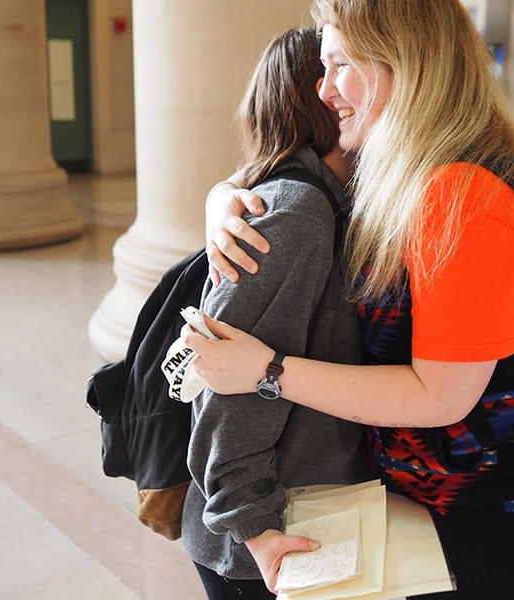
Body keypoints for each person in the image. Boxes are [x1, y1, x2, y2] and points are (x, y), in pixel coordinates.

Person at [186, 1, 514, 599]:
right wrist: (228, 193)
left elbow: (441, 396)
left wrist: (268, 371)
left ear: (401, 65)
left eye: (338, 64)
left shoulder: (458, 193)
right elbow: (300, 194)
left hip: (513, 510)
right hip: (440, 498)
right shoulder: (404, 170)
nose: (323, 87)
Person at [180, 26, 371, 599]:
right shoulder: (298, 215)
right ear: (323, 97)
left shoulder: (326, 203)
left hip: (297, 513)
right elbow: (224, 378)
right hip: (262, 542)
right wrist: (254, 525)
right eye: (336, 70)